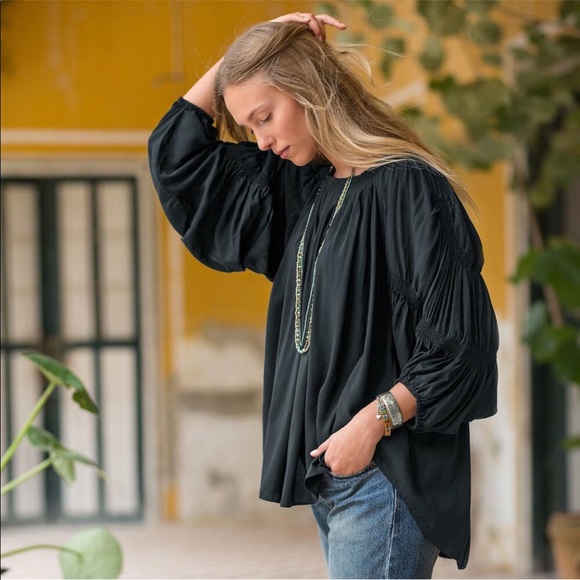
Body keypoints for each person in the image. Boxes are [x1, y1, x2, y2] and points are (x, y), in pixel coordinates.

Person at [148, 12, 498, 579]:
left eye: (265, 117)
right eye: (249, 127)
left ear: (307, 86)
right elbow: (177, 159)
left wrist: (373, 422)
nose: (262, 141)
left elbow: (462, 343)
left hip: (385, 472)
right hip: (337, 473)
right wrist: (257, 45)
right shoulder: (304, 187)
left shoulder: (407, 186)